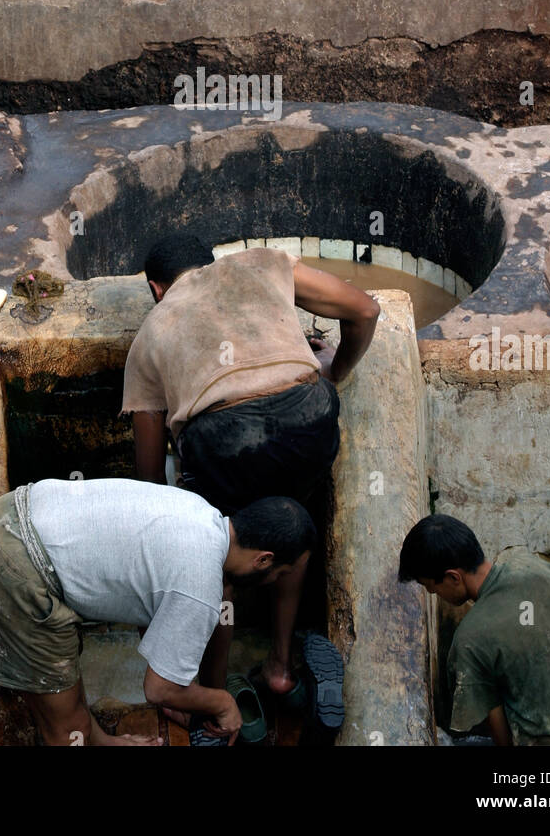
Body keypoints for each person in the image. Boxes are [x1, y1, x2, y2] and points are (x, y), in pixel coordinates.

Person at [122, 232, 379, 705]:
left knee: (217, 556)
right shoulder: (263, 263)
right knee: (290, 529)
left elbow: (149, 482)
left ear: (157, 290)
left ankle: (214, 693)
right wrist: (332, 373)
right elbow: (365, 311)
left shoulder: (150, 333)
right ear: (216, 260)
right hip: (308, 415)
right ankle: (281, 669)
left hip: (224, 443)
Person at [0, 476, 315, 747]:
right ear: (264, 560)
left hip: (8, 514)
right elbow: (159, 690)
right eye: (280, 575)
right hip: (17, 570)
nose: (275, 583)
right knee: (67, 731)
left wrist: (191, 691)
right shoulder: (201, 585)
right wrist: (221, 702)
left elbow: (155, 603)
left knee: (63, 676)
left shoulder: (199, 512)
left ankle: (100, 741)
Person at [398, 514, 550, 747]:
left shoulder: (469, 639)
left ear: (453, 577)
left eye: (431, 588)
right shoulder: (538, 568)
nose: (434, 595)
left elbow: (503, 741)